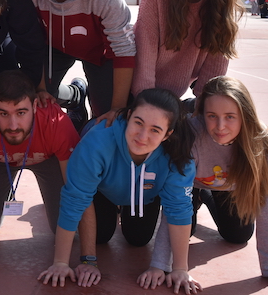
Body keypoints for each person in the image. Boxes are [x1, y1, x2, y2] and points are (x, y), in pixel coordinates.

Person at [148, 76, 268, 293]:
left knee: (238, 235)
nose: (220, 126)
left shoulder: (260, 139)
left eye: (230, 117)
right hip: (189, 186)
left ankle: (206, 196)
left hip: (228, 188)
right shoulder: (191, 134)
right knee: (185, 230)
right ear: (202, 114)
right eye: (212, 116)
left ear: (245, 115)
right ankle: (199, 195)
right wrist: (160, 264)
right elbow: (175, 202)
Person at [38, 88, 198, 293]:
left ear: (168, 135)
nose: (142, 136)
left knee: (138, 239)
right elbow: (75, 200)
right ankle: (79, 114)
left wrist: (180, 269)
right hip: (104, 189)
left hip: (144, 195)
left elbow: (178, 209)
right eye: (138, 123)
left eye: (155, 130)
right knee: (101, 236)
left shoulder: (178, 155)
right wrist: (62, 262)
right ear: (129, 116)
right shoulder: (97, 142)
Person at [20, 0, 136, 130]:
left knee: (108, 116)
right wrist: (41, 88)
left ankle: (95, 98)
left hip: (99, 51)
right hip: (53, 48)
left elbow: (124, 48)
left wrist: (117, 107)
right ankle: (75, 97)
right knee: (35, 99)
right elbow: (29, 42)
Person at [0, 70, 79, 238]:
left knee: (67, 228)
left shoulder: (55, 122)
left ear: (34, 106)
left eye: (21, 113)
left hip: (48, 159)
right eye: (3, 113)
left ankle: (76, 99)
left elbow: (76, 190)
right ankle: (5, 191)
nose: (13, 125)